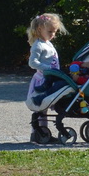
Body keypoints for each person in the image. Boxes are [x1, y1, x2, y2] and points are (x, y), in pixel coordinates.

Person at [24, 12, 66, 145]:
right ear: (40, 29)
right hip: (42, 79)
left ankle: (43, 132)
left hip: (51, 78)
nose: (53, 34)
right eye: (50, 31)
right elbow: (32, 63)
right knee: (41, 106)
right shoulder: (38, 45)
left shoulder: (47, 43)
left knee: (44, 107)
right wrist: (47, 68)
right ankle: (37, 132)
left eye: (55, 32)